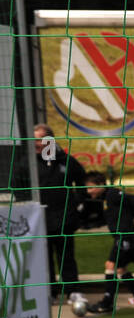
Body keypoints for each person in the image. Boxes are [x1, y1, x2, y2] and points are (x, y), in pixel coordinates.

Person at [79, 172, 134, 313]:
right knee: (120, 269)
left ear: (100, 185)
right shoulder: (105, 199)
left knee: (110, 265)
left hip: (126, 238)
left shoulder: (112, 194)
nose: (88, 192)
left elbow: (127, 198)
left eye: (91, 188)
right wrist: (87, 225)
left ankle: (107, 302)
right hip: (125, 238)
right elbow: (107, 219)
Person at [33, 124, 87, 304]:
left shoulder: (66, 161)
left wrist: (77, 205)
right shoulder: (30, 163)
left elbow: (82, 182)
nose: (36, 144)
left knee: (66, 256)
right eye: (34, 139)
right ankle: (50, 292)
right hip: (40, 220)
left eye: (39, 139)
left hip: (64, 218)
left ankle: (72, 291)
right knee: (44, 257)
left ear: (50, 140)